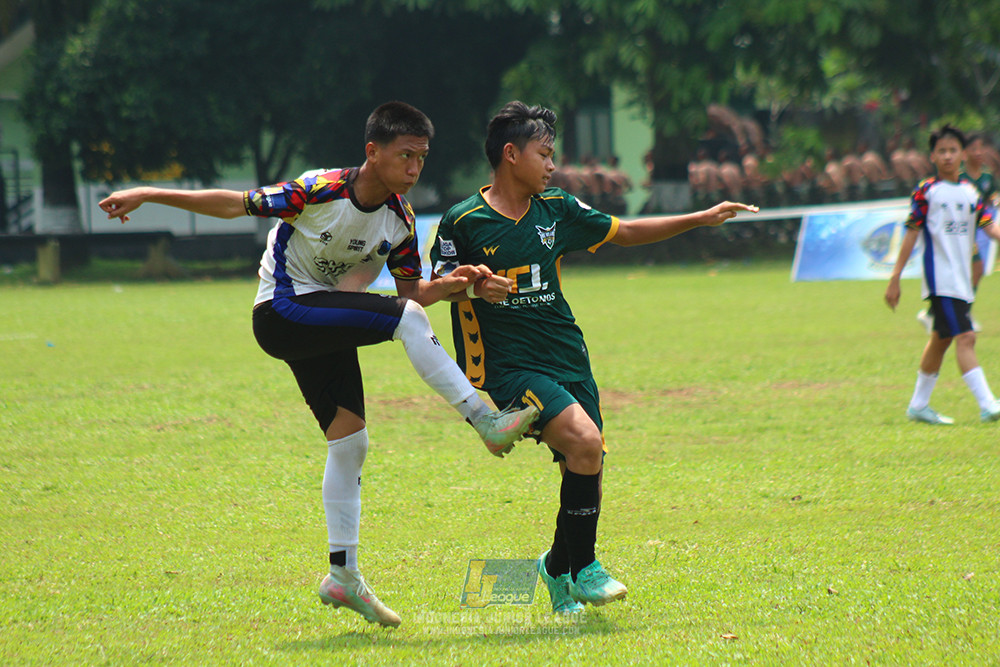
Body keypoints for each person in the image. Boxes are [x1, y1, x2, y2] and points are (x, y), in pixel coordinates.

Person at [98, 101, 538, 628]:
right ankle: (485, 419)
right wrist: (147, 192)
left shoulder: (398, 221)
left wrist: (463, 282)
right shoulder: (318, 189)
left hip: (322, 318)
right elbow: (233, 204)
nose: (414, 169)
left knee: (350, 440)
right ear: (372, 152)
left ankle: (343, 575)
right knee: (407, 320)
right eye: (405, 156)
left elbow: (411, 291)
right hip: (282, 311)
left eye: (421, 158)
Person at [430, 101, 757, 614]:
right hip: (509, 367)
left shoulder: (557, 208)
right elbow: (435, 289)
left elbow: (623, 232)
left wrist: (702, 218)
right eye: (545, 154)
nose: (553, 165)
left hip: (566, 353)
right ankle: (584, 569)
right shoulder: (463, 221)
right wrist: (470, 285)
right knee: (584, 441)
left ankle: (557, 572)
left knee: (587, 461)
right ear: (511, 155)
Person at [884, 124, 1000, 425]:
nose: (948, 156)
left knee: (941, 339)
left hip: (962, 280)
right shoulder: (927, 191)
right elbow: (910, 233)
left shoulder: (970, 191)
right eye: (942, 151)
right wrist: (895, 277)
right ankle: (988, 404)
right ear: (933, 156)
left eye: (953, 150)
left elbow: (990, 227)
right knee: (966, 337)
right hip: (942, 280)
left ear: (962, 154)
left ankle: (919, 405)